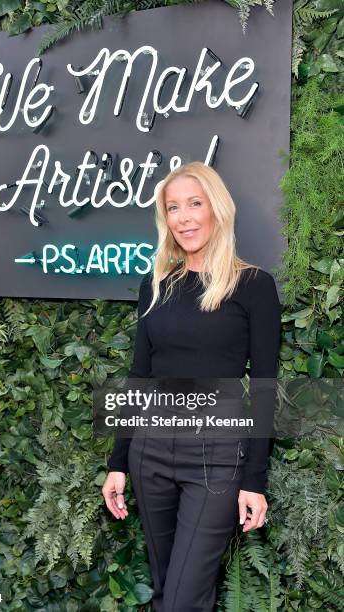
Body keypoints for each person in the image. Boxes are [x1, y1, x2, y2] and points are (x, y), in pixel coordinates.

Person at [101, 161, 281, 611]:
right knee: (168, 590)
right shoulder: (156, 285)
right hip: (151, 454)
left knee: (182, 599)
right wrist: (119, 461)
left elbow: (263, 387)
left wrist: (254, 480)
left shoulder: (253, 285)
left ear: (217, 209)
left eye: (194, 203)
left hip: (217, 458)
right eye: (173, 207)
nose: (184, 217)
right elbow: (139, 377)